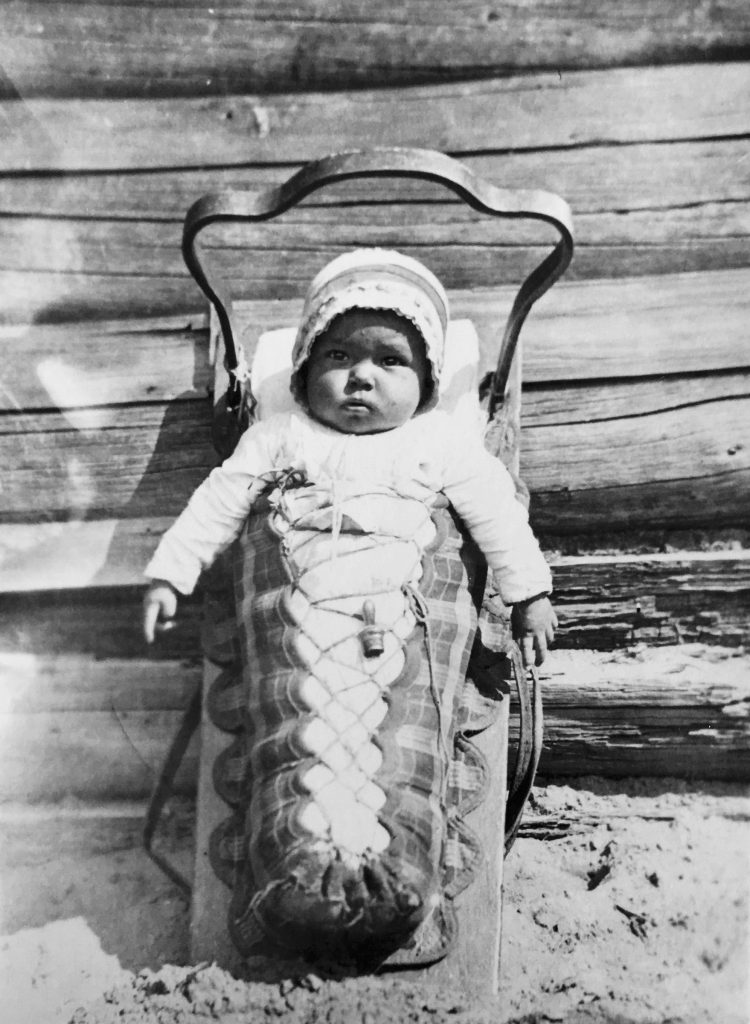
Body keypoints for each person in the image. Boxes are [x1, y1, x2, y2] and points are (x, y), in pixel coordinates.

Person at [143, 248, 556, 665]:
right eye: (338, 356)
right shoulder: (280, 438)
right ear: (305, 367)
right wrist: (170, 576)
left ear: (426, 380)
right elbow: (219, 501)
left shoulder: (440, 441)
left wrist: (530, 595)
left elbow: (497, 513)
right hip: (299, 612)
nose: (360, 376)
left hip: (405, 616)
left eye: (390, 360)